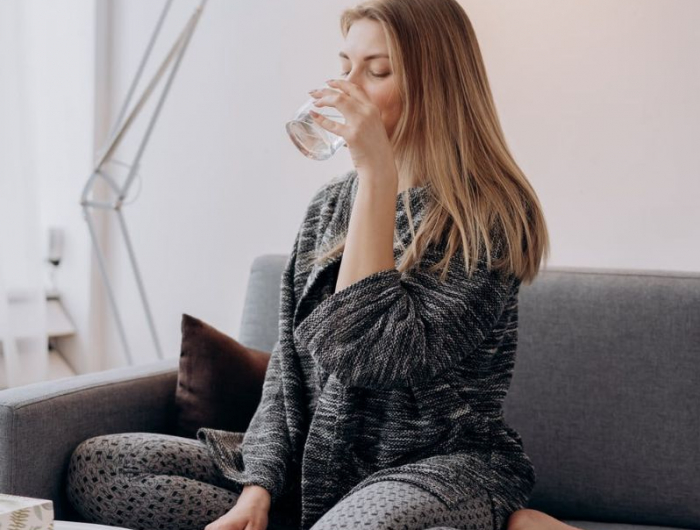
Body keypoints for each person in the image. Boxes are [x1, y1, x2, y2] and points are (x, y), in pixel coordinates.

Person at [66, 1, 578, 529]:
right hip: (318, 473)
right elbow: (288, 367)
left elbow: (371, 357)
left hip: (436, 469)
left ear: (436, 84)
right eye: (345, 65)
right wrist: (256, 489)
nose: (347, 87)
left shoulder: (487, 214)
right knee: (103, 465)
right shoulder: (331, 203)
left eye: (376, 71)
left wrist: (376, 174)